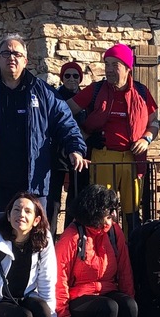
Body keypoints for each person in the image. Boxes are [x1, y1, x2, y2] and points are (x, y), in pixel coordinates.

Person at [0, 34, 88, 212]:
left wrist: (75, 148)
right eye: (6, 53)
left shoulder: (43, 93)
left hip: (35, 177)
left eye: (17, 54)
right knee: (2, 225)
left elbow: (66, 122)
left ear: (25, 61)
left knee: (35, 226)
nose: (11, 58)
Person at [54, 185, 139, 317]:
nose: (112, 215)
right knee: (109, 308)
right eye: (108, 211)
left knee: (129, 306)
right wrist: (63, 316)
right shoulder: (72, 236)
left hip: (108, 289)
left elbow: (124, 269)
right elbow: (59, 277)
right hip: (79, 296)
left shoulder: (114, 232)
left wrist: (129, 299)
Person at [69, 45, 160, 228]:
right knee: (101, 209)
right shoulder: (95, 90)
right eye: (107, 64)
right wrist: (82, 135)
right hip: (102, 156)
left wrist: (146, 139)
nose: (109, 69)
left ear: (127, 68)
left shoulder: (142, 92)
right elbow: (64, 112)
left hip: (133, 158)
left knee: (131, 211)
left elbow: (155, 123)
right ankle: (102, 244)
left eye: (115, 65)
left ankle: (130, 244)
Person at [47, 59, 90, 230]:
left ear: (80, 78)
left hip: (80, 155)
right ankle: (49, 237)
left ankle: (71, 234)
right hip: (57, 155)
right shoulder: (55, 97)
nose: (71, 79)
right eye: (67, 75)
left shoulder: (86, 99)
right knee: (53, 201)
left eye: (75, 76)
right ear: (62, 78)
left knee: (76, 197)